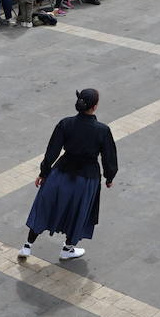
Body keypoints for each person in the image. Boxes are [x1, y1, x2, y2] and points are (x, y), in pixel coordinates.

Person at [19, 88, 117, 262]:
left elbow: (52, 151)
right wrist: (109, 178)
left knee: (45, 207)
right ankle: (67, 248)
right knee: (79, 213)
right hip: (87, 179)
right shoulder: (102, 130)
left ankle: (27, 246)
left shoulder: (65, 123)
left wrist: (43, 172)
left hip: (60, 173)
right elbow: (109, 157)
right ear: (94, 107)